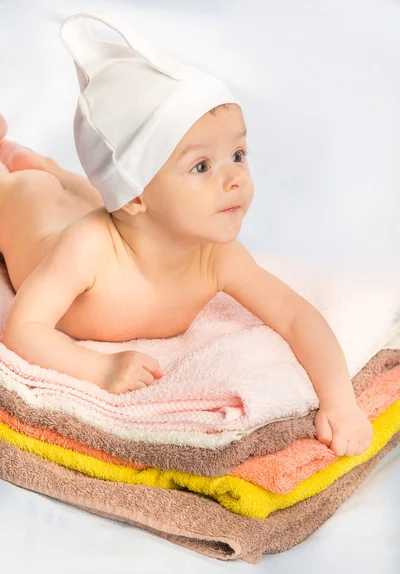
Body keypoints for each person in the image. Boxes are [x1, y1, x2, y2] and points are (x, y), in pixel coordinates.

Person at [0, 13, 372, 458]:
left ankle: (53, 169)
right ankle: (31, 170)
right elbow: (23, 328)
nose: (235, 177)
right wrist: (97, 368)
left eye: (237, 154)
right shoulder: (88, 249)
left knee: (81, 196)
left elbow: (296, 316)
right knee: (30, 190)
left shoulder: (216, 257)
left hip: (99, 207)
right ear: (137, 194)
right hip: (25, 211)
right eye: (202, 166)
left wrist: (340, 402)